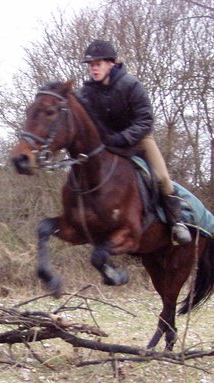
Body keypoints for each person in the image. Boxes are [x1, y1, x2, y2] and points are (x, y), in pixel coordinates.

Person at [77, 39, 192, 246]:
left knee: (162, 177)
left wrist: (123, 138)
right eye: (91, 65)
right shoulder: (87, 92)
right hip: (109, 143)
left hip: (139, 140)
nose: (93, 68)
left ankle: (177, 223)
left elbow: (145, 121)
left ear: (111, 64)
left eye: (98, 64)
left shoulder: (131, 85)